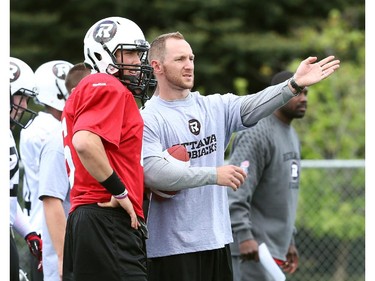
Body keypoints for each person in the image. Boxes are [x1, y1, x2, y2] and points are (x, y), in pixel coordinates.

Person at [140, 31, 340, 281]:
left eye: (191, 58)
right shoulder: (148, 117)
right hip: (172, 249)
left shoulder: (213, 106)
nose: (189, 65)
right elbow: (153, 173)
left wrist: (293, 85)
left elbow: (254, 104)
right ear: (157, 66)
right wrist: (214, 175)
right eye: (180, 59)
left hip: (217, 241)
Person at [61, 16, 154, 281]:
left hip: (88, 219)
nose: (138, 61)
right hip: (106, 217)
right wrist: (121, 190)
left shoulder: (86, 89)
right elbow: (85, 142)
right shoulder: (106, 85)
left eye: (139, 53)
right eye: (130, 52)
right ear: (104, 54)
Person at [227, 70, 308, 281]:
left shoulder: (291, 134)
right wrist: (244, 236)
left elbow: (283, 195)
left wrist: (289, 240)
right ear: (281, 93)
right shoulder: (256, 132)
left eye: (306, 93)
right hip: (252, 251)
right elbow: (235, 189)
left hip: (275, 249)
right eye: (298, 93)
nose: (303, 99)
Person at [19, 59, 73, 281]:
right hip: (49, 231)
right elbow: (55, 189)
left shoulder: (42, 125)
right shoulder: (44, 130)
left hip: (50, 227)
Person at [10, 57, 43, 281]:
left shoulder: (8, 136)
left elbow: (9, 199)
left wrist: (28, 231)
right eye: (18, 97)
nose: (23, 106)